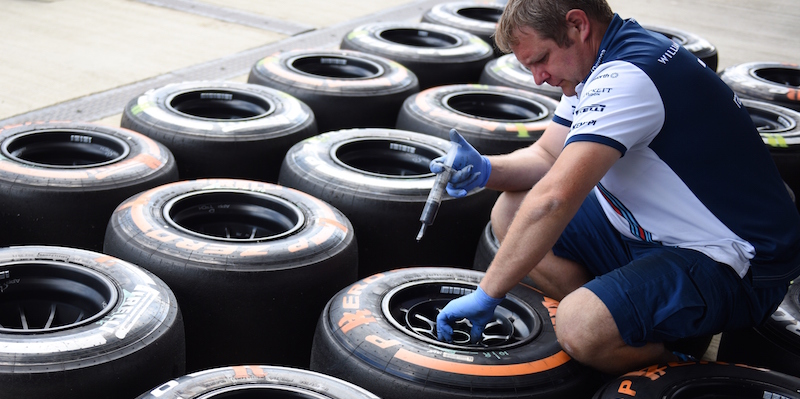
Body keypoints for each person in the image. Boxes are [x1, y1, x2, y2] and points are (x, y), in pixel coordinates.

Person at [432, 0, 800, 375]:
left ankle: (678, 370)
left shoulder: (628, 76)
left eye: (541, 59)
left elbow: (554, 199)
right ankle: (623, 321)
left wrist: (487, 293)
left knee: (580, 327)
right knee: (510, 212)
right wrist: (485, 168)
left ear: (577, 25)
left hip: (735, 259)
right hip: (657, 231)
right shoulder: (595, 65)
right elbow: (546, 156)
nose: (538, 78)